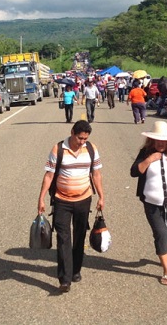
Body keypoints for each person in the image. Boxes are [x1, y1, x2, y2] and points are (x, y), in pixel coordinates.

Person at [37, 120, 105, 293]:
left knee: (80, 235)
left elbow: (96, 174)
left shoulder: (91, 149)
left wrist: (101, 196)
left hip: (84, 199)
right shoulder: (58, 149)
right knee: (63, 237)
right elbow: (49, 175)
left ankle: (76, 270)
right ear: (72, 132)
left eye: (85, 139)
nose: (82, 142)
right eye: (80, 138)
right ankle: (65, 279)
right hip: (62, 200)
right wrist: (41, 199)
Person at [130, 121, 167, 286]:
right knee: (161, 234)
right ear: (152, 140)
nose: (160, 143)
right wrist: (150, 159)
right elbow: (134, 172)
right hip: (152, 202)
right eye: (157, 140)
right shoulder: (146, 152)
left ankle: (163, 248)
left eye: (163, 140)